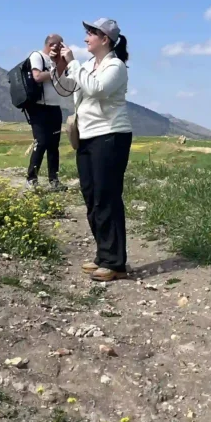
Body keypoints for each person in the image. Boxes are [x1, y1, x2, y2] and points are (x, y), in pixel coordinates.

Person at [53, 18, 132, 282]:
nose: (86, 37)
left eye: (91, 33)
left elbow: (96, 89)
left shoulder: (115, 66)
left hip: (110, 136)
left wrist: (73, 63)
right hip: (87, 136)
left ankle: (115, 262)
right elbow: (67, 89)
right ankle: (104, 255)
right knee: (91, 196)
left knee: (106, 197)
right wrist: (60, 65)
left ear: (105, 39)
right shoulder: (87, 65)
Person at [25, 33, 70, 191]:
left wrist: (63, 61)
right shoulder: (37, 56)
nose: (59, 48)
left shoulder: (56, 61)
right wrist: (53, 69)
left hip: (54, 106)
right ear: (52, 45)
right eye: (58, 45)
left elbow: (63, 77)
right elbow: (37, 76)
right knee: (41, 142)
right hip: (39, 107)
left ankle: (54, 179)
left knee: (54, 145)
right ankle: (32, 178)